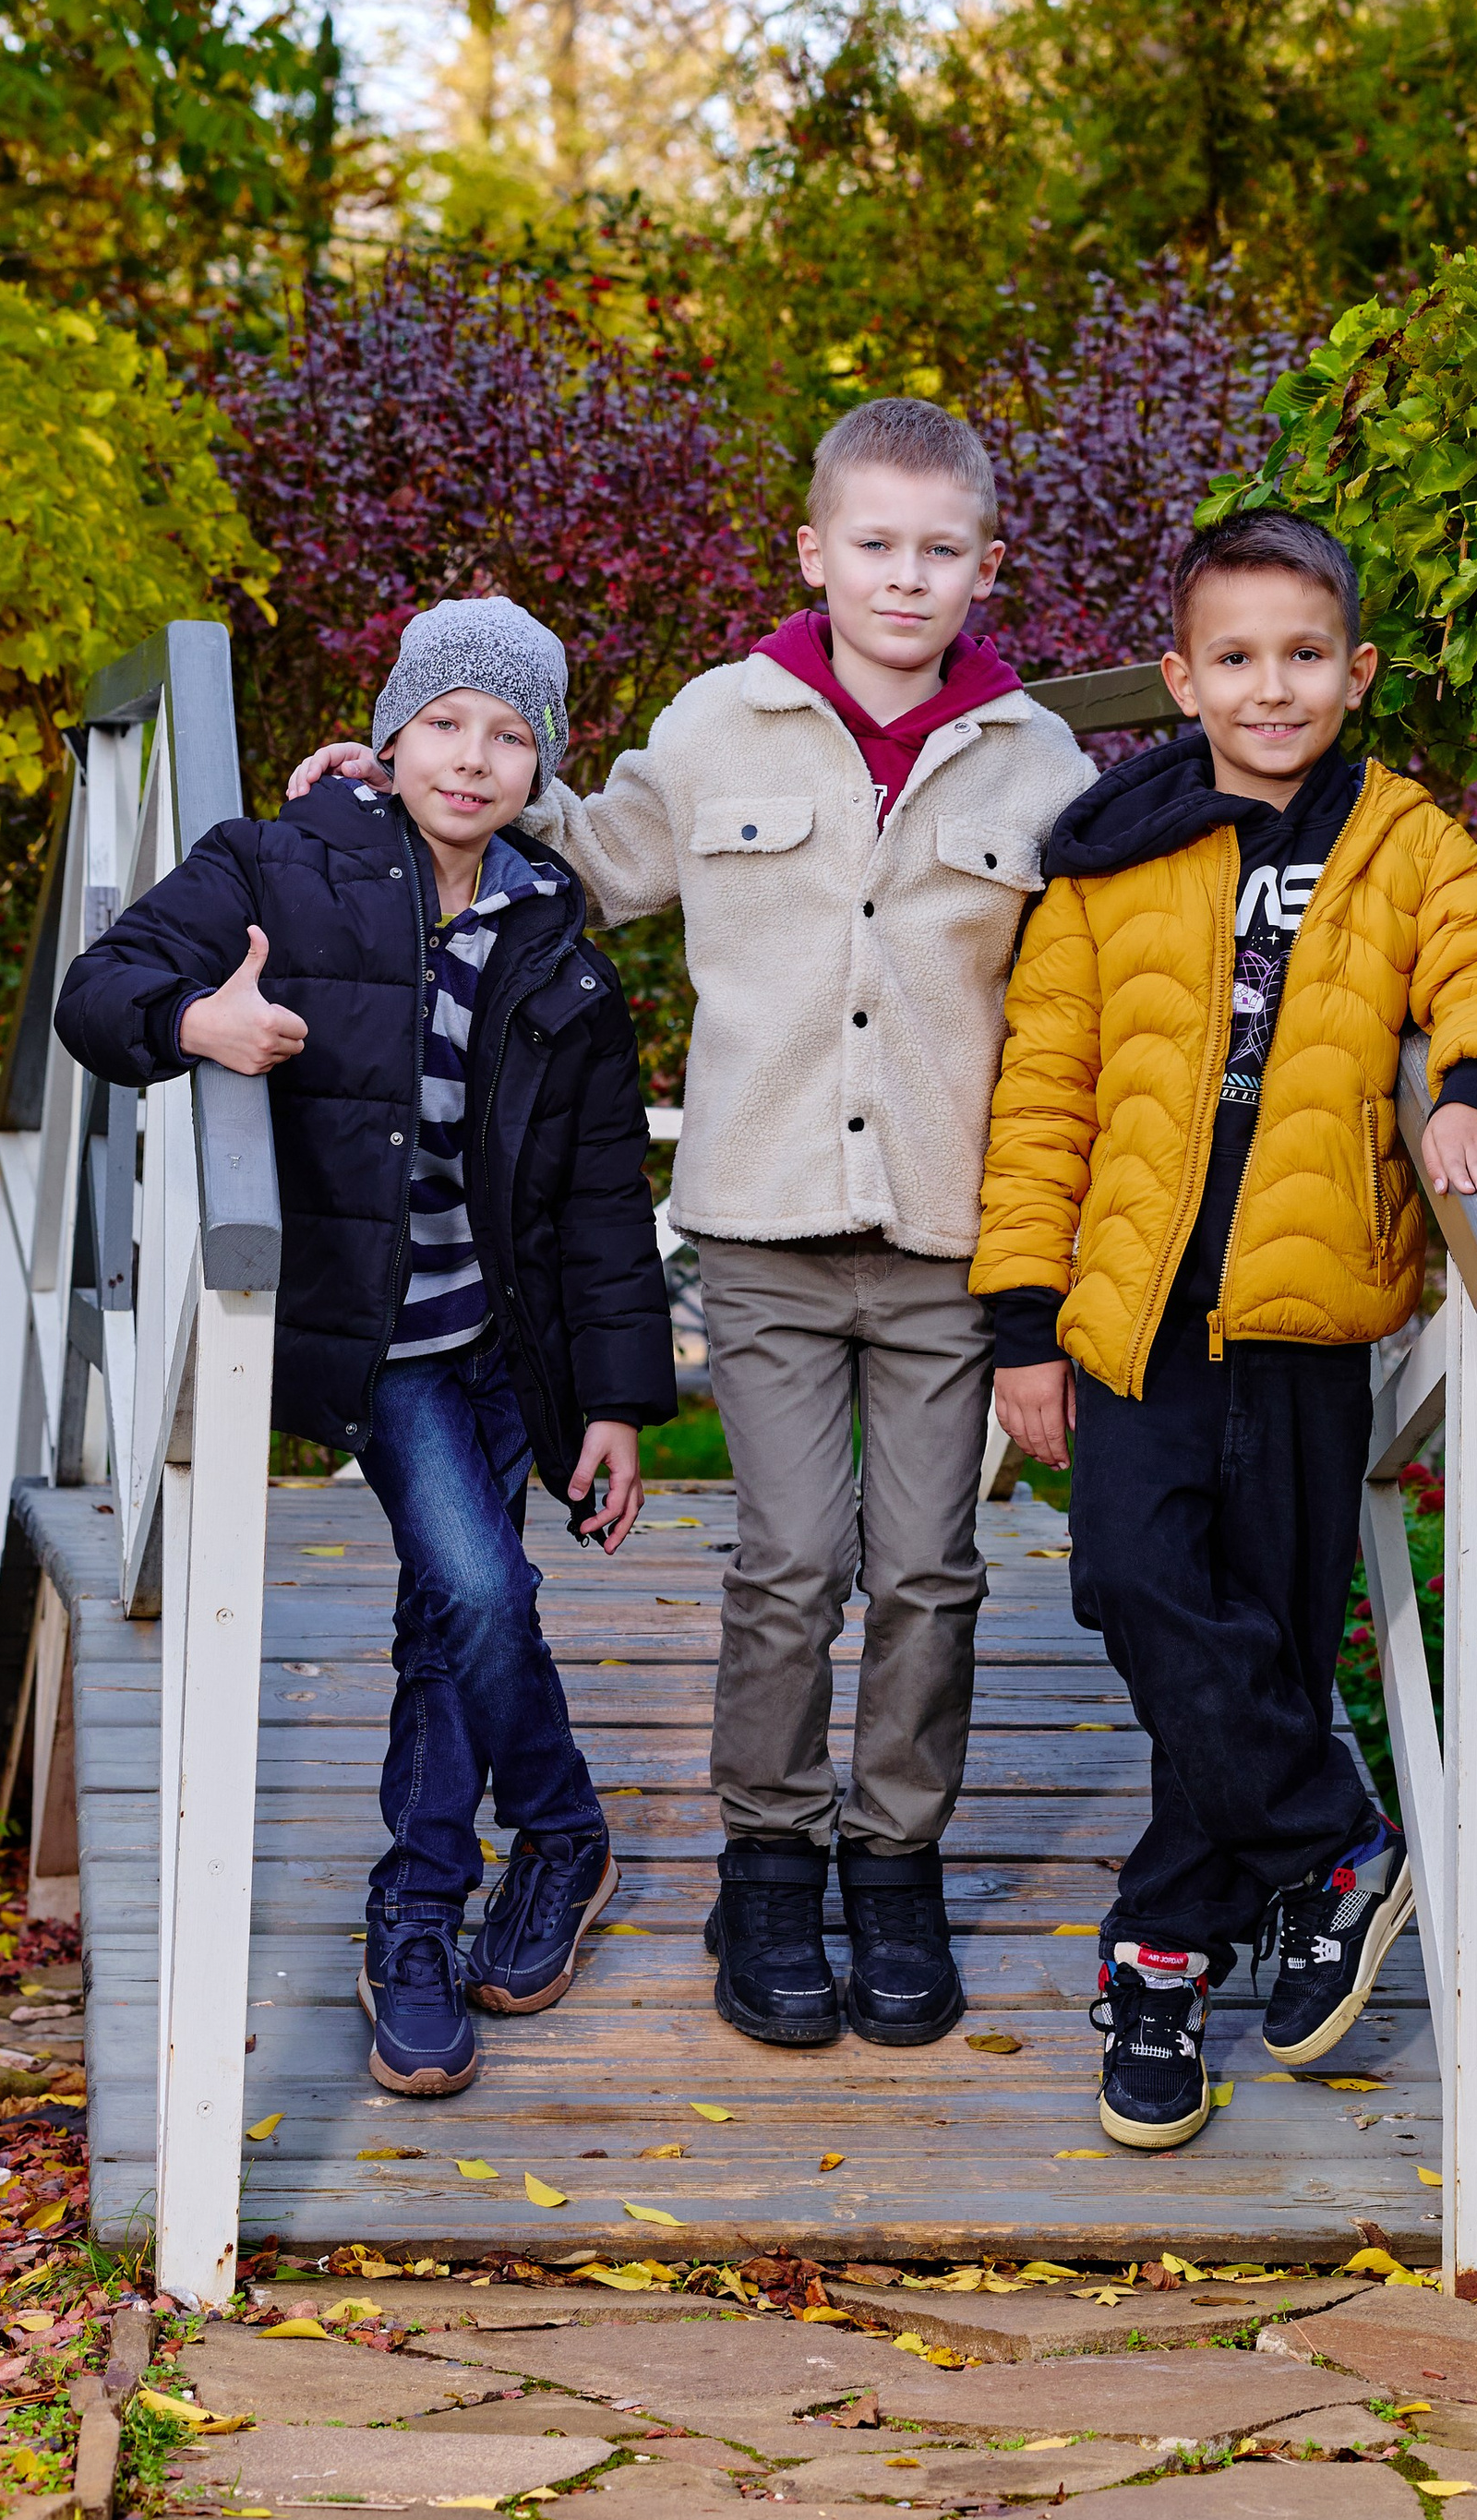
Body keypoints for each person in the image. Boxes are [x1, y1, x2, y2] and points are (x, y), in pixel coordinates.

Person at [288, 402, 1092, 2051]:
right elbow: (576, 850)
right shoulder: (721, 722)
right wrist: (394, 788)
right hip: (764, 1228)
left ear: (987, 567)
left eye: (940, 551)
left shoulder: (1041, 762)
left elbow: (1103, 966)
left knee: (929, 1570)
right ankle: (771, 1865)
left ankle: (895, 1864)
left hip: (950, 1238)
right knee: (791, 1561)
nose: (904, 577)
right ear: (814, 553)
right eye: (873, 544)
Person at [976, 508, 1477, 2149]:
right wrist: (1023, 1322)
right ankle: (1335, 1843)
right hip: (1135, 1318)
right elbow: (1042, 1100)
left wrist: (1475, 1091)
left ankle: (1163, 1960)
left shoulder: (1406, 842)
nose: (1272, 687)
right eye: (1235, 658)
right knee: (1132, 1580)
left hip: (1311, 1323)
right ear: (1181, 679)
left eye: (1304, 655)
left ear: (1355, 671)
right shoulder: (1110, 861)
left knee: (1270, 1634)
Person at [56, 599, 675, 2100]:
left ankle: (420, 1912)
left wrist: (615, 1400)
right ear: (390, 735)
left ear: (545, 765)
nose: (472, 758)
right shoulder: (279, 865)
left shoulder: (551, 933)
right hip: (392, 1342)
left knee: (447, 1625)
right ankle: (559, 1827)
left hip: (512, 1339)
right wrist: (199, 1024)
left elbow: (602, 1192)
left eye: (511, 735)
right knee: (480, 1590)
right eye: (444, 722)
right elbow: (95, 994)